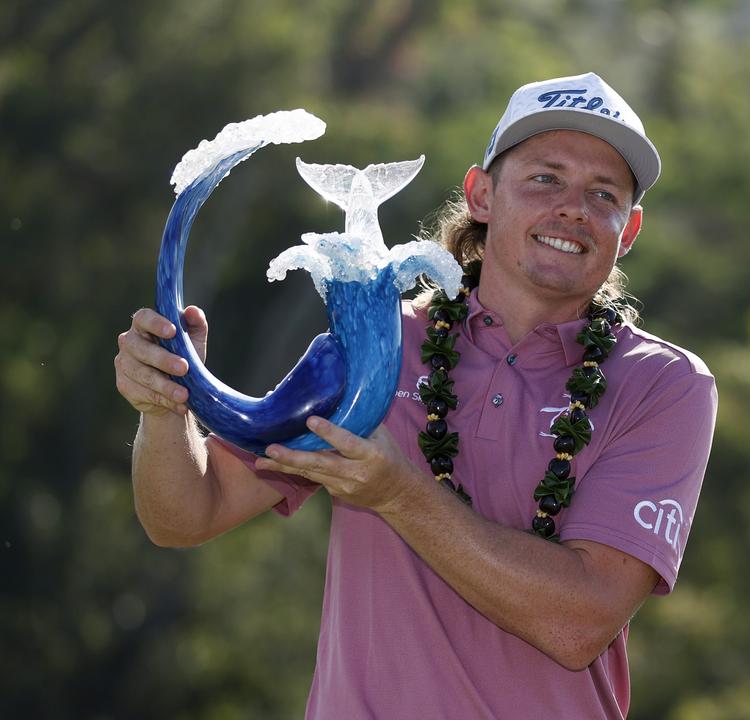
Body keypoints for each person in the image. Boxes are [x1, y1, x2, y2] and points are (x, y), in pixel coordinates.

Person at [114, 72, 717, 719]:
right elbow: (186, 515)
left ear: (627, 231)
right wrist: (163, 409)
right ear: (481, 195)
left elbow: (578, 624)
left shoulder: (665, 385)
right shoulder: (373, 343)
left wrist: (399, 495)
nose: (573, 208)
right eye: (545, 178)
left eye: (604, 194)